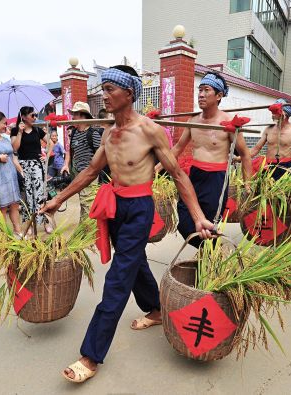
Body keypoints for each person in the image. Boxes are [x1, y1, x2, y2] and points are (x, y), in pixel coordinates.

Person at [42, 65, 214, 383]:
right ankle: (156, 309)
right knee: (133, 264)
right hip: (115, 207)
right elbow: (90, 172)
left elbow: (177, 174)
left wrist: (200, 217)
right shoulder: (108, 133)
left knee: (118, 279)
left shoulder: (148, 130)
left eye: (109, 89)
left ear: (129, 94)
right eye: (102, 89)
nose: (103, 95)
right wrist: (58, 199)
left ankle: (91, 354)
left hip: (139, 209)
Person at [163, 72, 252, 247]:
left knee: (210, 224)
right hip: (194, 176)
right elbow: (177, 148)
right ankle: (206, 250)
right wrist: (156, 169)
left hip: (216, 180)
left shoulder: (228, 123)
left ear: (219, 96)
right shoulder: (193, 120)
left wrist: (247, 183)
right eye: (200, 90)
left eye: (206, 90)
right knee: (185, 219)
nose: (201, 94)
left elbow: (245, 154)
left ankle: (208, 259)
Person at [60, 102, 106, 220]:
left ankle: (87, 232)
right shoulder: (74, 133)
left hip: (89, 176)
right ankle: (85, 229)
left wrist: (93, 170)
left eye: (74, 114)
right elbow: (69, 151)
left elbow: (101, 155)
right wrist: (66, 164)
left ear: (81, 115)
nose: (72, 117)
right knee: (83, 202)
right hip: (78, 174)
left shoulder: (93, 134)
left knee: (87, 204)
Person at [10, 106, 52, 233]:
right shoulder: (15, 131)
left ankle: (45, 222)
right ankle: (30, 224)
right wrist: (20, 133)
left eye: (35, 115)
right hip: (23, 166)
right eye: (32, 115)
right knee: (27, 196)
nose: (34, 117)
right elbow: (14, 148)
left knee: (41, 194)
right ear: (23, 117)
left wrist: (46, 156)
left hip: (37, 165)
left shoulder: (38, 130)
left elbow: (51, 143)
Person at [249, 99, 291, 180]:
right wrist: (241, 157)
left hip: (285, 168)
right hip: (268, 167)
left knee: (285, 192)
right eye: (272, 113)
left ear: (284, 114)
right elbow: (256, 149)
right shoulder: (268, 129)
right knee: (264, 191)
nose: (272, 115)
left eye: (275, 112)